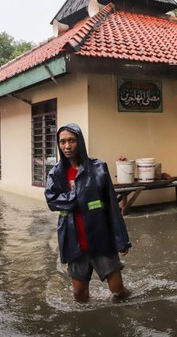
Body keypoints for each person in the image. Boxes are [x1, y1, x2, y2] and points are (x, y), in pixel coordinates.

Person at [45, 123, 131, 302]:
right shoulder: (56, 173)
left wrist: (122, 240)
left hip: (101, 237)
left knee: (118, 292)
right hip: (74, 240)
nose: (67, 146)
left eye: (71, 141)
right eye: (62, 142)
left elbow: (112, 206)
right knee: (79, 295)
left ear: (80, 142)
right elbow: (52, 200)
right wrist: (76, 197)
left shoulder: (99, 168)